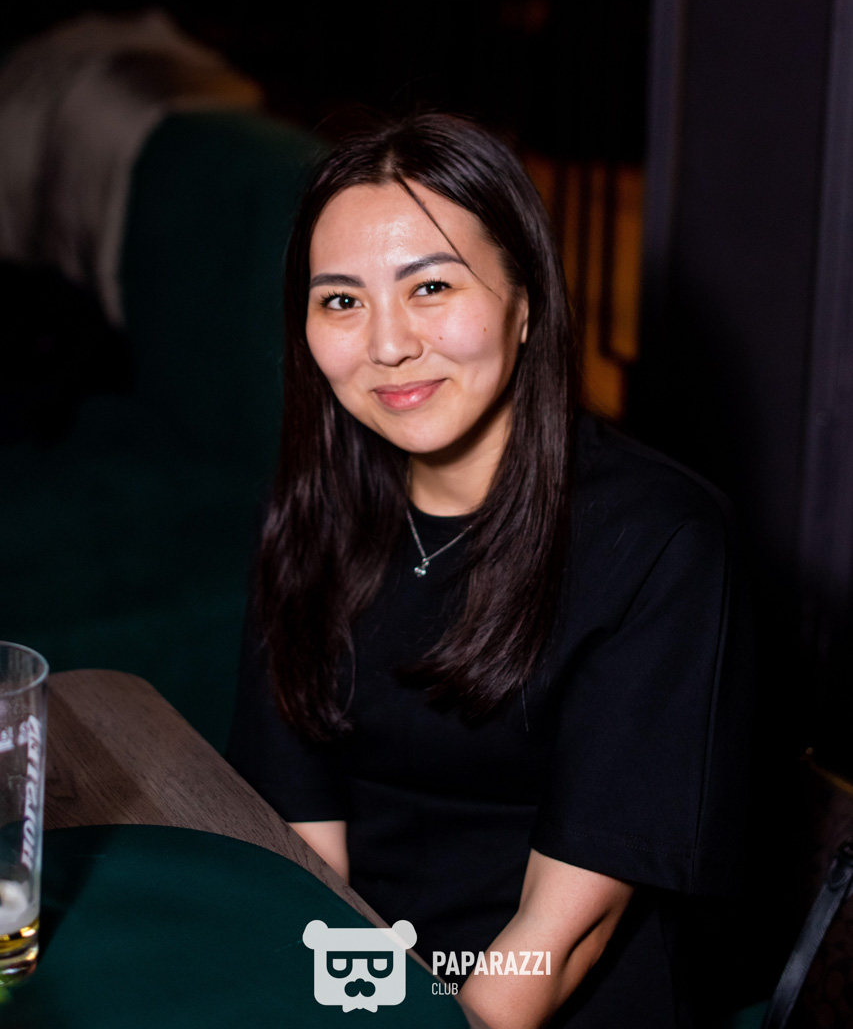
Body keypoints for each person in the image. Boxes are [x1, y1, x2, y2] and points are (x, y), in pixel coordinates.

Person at [227, 113, 753, 1028]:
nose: (386, 344)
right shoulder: (315, 509)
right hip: (360, 972)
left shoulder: (660, 540)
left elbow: (561, 940)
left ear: (525, 303)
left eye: (430, 286)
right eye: (341, 301)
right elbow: (301, 855)